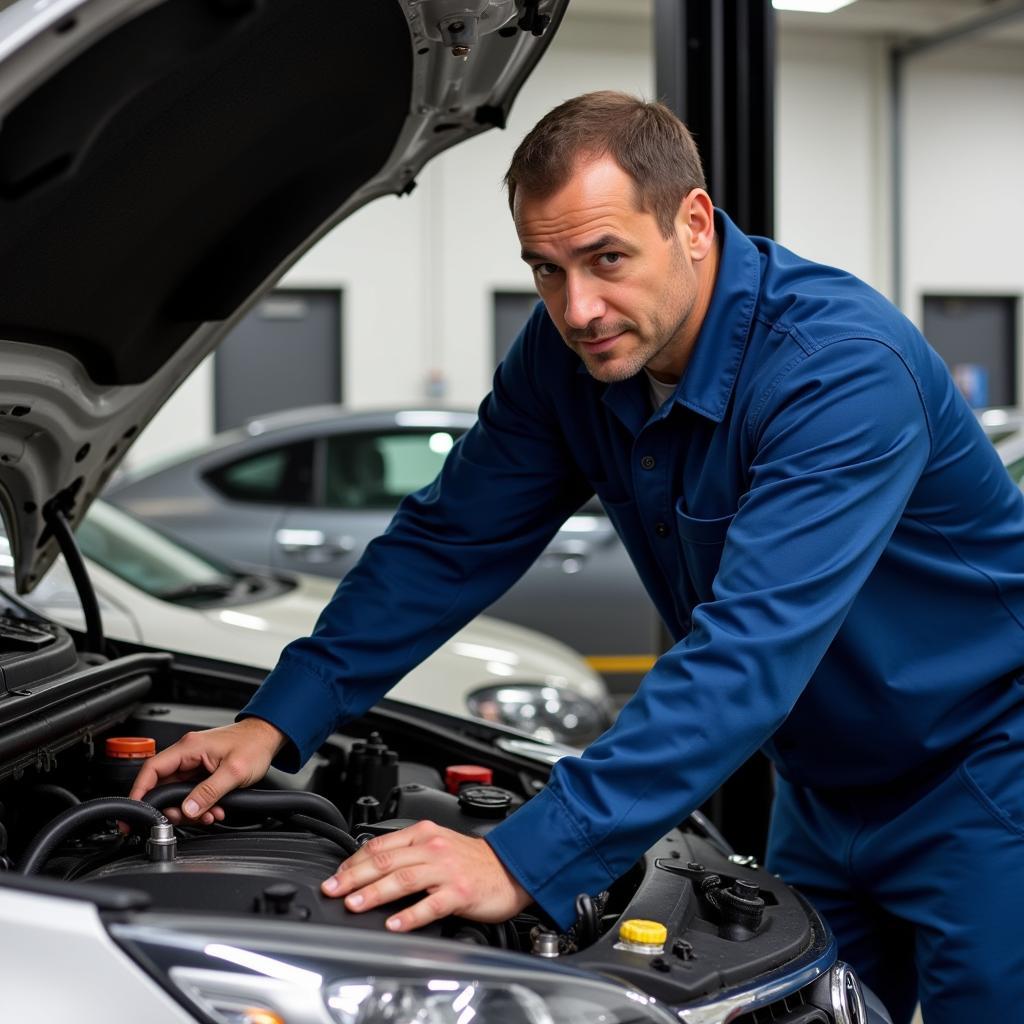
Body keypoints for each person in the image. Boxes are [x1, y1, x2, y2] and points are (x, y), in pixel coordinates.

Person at [131, 92, 1024, 1024]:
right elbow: (448, 541)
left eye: (606, 260)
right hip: (820, 786)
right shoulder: (570, 359)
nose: (578, 308)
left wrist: (525, 857)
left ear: (693, 222)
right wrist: (279, 718)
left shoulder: (839, 371)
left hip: (985, 773)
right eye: (546, 270)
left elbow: (744, 653)